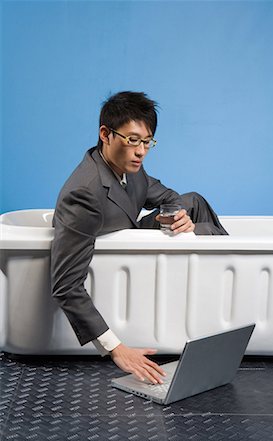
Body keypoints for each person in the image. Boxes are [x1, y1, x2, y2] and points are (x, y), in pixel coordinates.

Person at [51, 91, 227, 385]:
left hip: (131, 239)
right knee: (207, 231)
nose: (141, 151)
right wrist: (116, 349)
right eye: (133, 140)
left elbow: (168, 195)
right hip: (117, 268)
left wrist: (177, 216)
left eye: (147, 142)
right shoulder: (83, 193)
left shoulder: (129, 166)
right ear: (105, 134)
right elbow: (65, 285)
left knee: (193, 201)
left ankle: (213, 303)